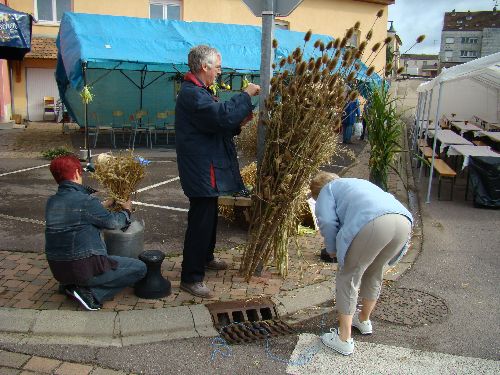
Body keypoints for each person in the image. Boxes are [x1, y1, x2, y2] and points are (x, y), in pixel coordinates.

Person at [175, 45, 261, 298]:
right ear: (205, 67)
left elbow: (216, 125)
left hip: (204, 166)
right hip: (200, 169)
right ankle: (191, 276)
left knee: (209, 216)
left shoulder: (200, 92)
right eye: (218, 67)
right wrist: (245, 95)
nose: (220, 72)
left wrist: (239, 120)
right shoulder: (192, 94)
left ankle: (206, 257)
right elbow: (220, 116)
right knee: (201, 221)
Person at [310, 172, 413, 355]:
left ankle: (344, 338)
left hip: (374, 223)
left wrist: (332, 249)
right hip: (403, 221)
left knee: (348, 276)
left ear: (317, 192)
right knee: (375, 271)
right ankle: (363, 320)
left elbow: (326, 220)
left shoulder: (327, 190)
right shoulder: (356, 182)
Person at [45, 155, 146, 311]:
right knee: (140, 268)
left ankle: (69, 285)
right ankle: (92, 294)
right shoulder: (86, 201)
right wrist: (126, 210)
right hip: (84, 269)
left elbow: (78, 215)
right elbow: (114, 223)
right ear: (77, 173)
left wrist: (102, 205)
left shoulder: (52, 201)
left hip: (59, 270)